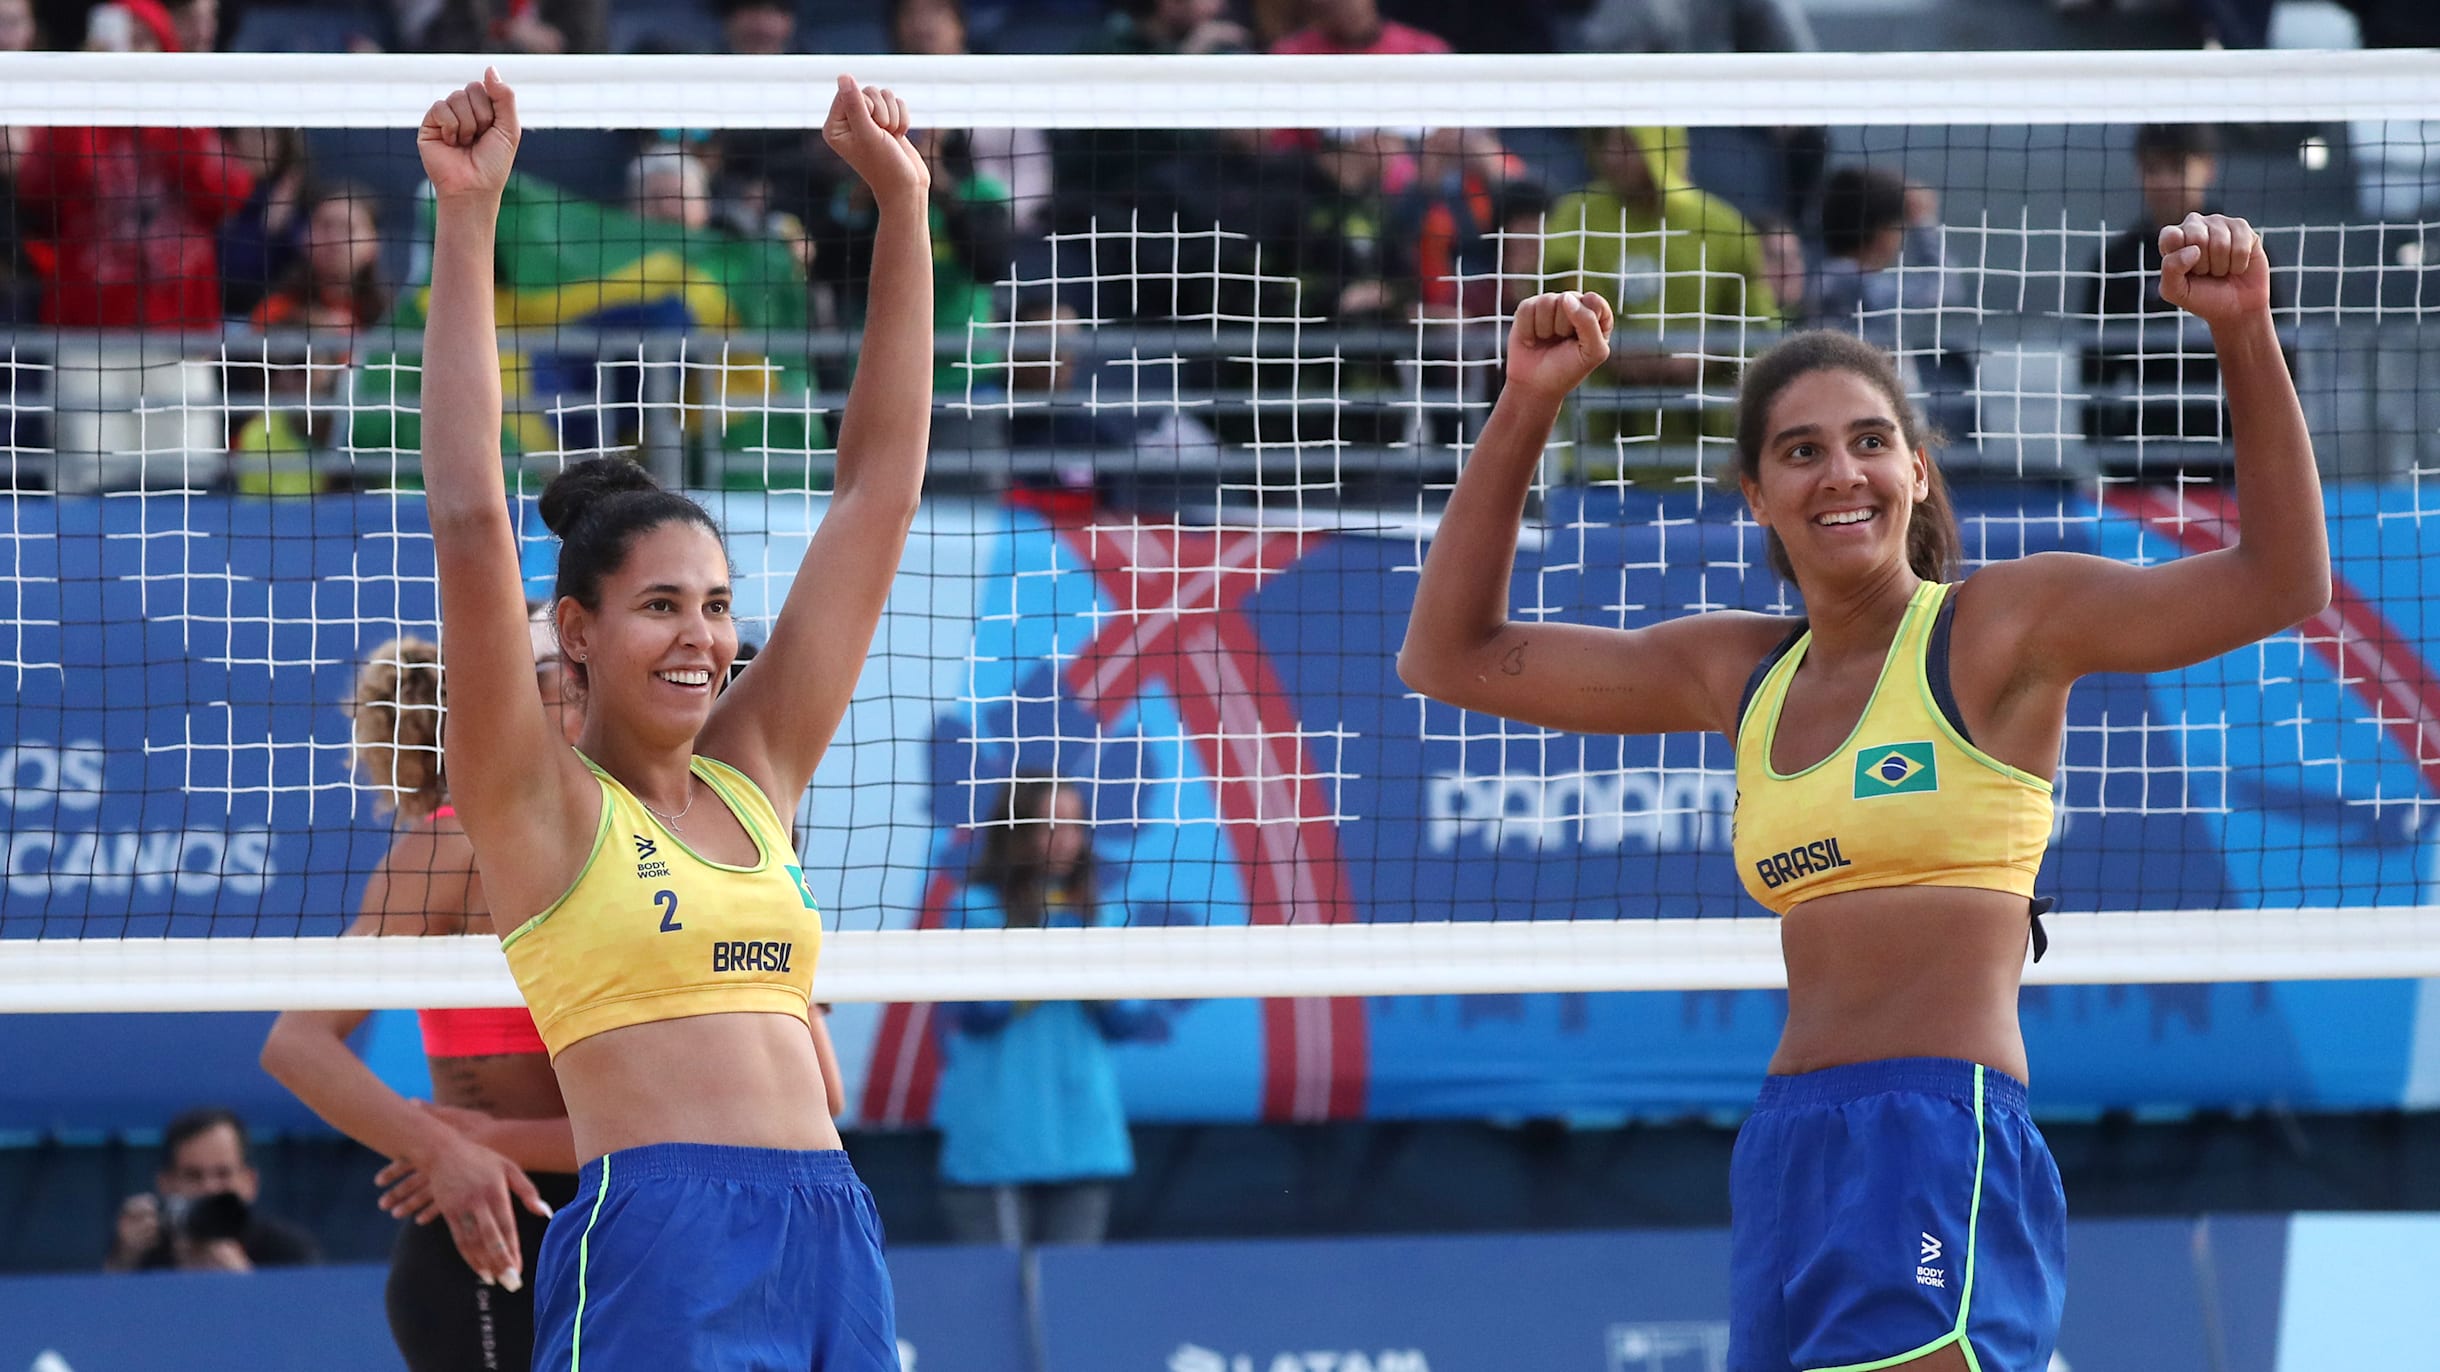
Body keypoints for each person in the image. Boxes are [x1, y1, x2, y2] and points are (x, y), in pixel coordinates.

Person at [1398, 212, 2326, 1371]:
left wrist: (2241, 329)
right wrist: (1529, 399)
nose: (1841, 471)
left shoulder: (1999, 630)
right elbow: (1449, 656)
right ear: (1756, 494)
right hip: (1793, 1146)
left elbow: (2281, 578)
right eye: (1800, 450)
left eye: (1870, 441)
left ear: (1915, 469)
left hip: (1935, 1126)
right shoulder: (1736, 669)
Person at [413, 67, 928, 1369]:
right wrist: (467, 222)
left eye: (714, 604)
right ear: (575, 629)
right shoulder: (534, 800)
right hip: (661, 1234)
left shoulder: (758, 766)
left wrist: (905, 207)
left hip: (831, 1227)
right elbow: (473, 519)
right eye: (659, 606)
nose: (700, 636)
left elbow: (877, 492)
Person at [260, 630, 575, 1369]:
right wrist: (442, 1149)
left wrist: (488, 1142)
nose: (594, 698)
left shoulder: (630, 839)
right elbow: (295, 1042)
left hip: (617, 1213)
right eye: (572, 681)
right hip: (497, 1230)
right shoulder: (450, 848)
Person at [933, 778, 1163, 1247]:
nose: (1064, 837)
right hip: (995, 1137)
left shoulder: (1105, 913)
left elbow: (1126, 1021)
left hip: (1082, 1134)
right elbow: (979, 1014)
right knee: (994, 1303)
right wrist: (1048, 949)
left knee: (1072, 1301)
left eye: (1075, 825)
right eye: (1049, 825)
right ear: (1015, 831)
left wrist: (1086, 966)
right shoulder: (973, 909)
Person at [105, 1107, 321, 1273]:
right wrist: (124, 1260)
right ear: (165, 1184)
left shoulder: (287, 1252)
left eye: (223, 1174)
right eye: (193, 1176)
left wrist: (246, 1283)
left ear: (250, 1182)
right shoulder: (144, 1251)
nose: (210, 1188)